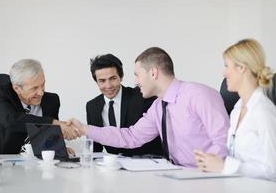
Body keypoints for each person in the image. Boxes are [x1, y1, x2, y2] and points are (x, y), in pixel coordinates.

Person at [69, 47, 230, 167]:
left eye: (137, 75)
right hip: (177, 175)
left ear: (153, 73)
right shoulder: (159, 106)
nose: (136, 82)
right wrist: (85, 129)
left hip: (206, 178)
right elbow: (131, 136)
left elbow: (224, 142)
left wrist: (205, 169)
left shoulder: (199, 95)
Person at [194, 39, 276, 180]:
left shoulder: (263, 112)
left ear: (242, 68)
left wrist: (224, 166)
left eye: (227, 66)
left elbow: (272, 170)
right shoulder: (236, 111)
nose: (224, 73)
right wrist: (213, 162)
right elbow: (238, 160)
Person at [0, 59, 78, 154]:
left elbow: (50, 137)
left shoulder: (51, 101)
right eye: (34, 88)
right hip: (1, 159)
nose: (41, 92)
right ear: (17, 88)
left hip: (34, 161)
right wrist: (53, 123)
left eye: (43, 84)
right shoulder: (0, 94)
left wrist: (59, 148)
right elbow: (11, 120)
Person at [86, 54, 162, 156]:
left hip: (146, 163)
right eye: (102, 81)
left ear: (121, 77)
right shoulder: (92, 106)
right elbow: (95, 148)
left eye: (113, 78)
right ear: (96, 81)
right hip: (113, 166)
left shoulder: (142, 96)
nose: (108, 85)